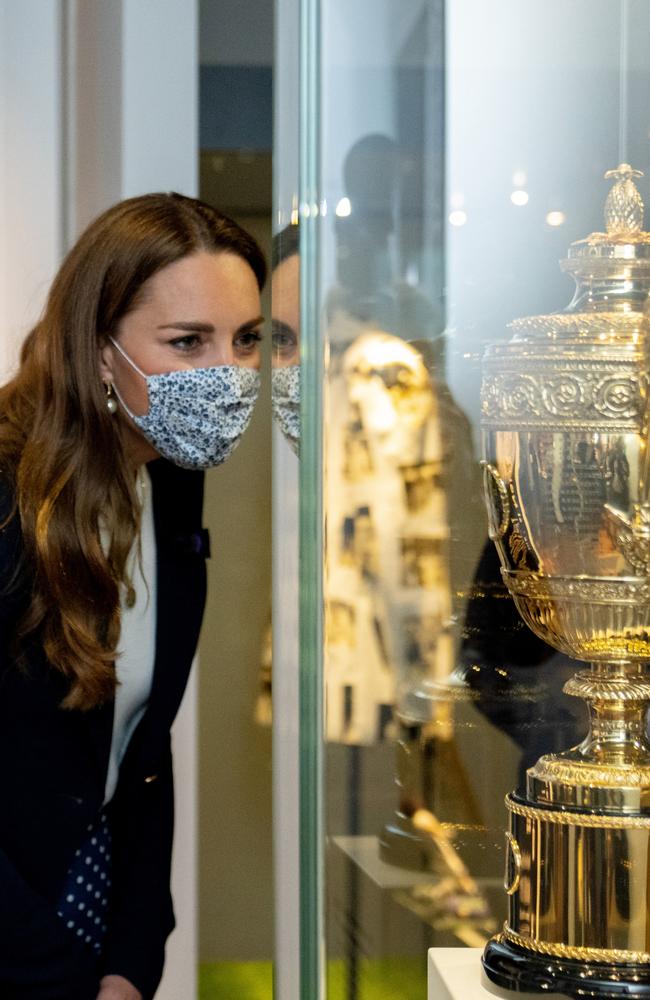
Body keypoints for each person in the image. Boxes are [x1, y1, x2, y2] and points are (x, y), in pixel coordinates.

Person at [0, 193, 266, 1000]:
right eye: (189, 342)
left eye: (247, 339)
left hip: (94, 929)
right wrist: (56, 977)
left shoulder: (170, 480)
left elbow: (141, 748)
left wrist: (131, 956)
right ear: (99, 347)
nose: (227, 372)